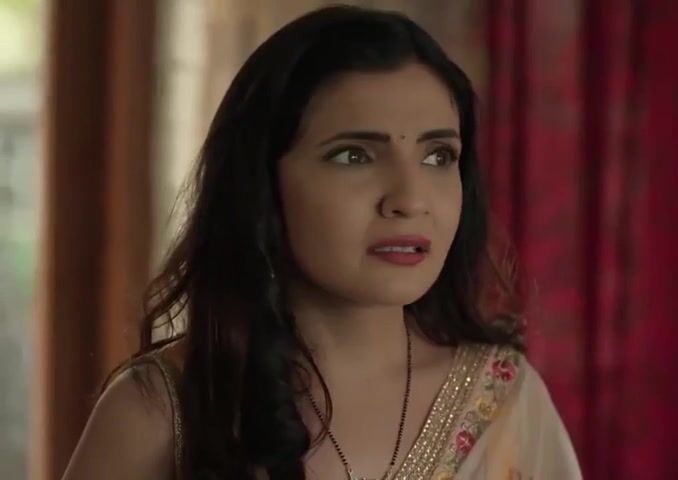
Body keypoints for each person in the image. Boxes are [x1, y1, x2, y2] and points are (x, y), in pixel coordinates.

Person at [61, 5, 581, 479]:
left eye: (438, 156)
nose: (410, 200)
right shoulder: (161, 410)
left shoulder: (506, 404)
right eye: (354, 156)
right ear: (263, 183)